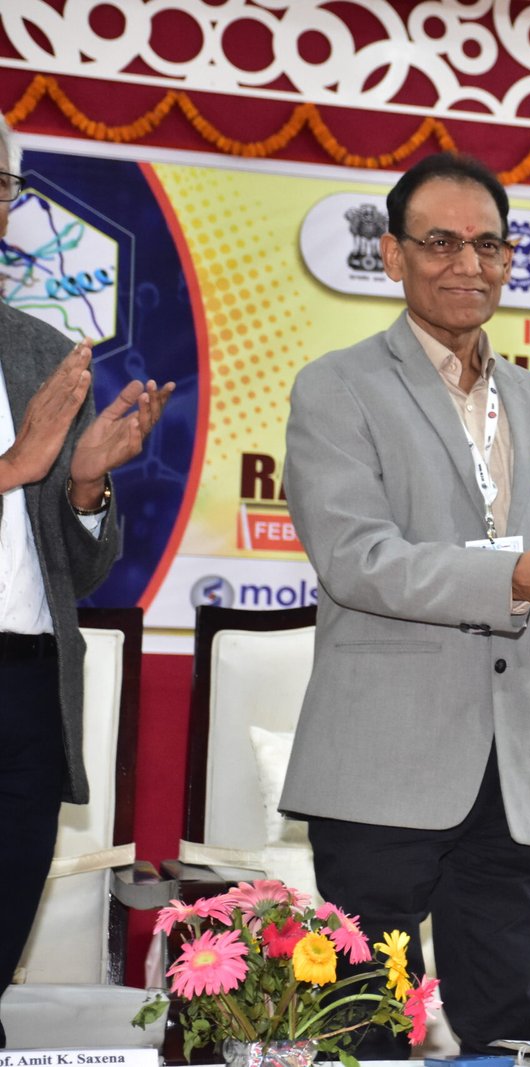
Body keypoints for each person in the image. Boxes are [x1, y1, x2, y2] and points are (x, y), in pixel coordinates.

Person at [280, 152, 530, 1054]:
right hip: (383, 764)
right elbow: (357, 560)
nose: (468, 263)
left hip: (519, 770)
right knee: (363, 1028)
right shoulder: (337, 387)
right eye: (440, 242)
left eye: (489, 244)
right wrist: (519, 579)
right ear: (393, 256)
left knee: (514, 1031)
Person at [0, 115, 174, 1047]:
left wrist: (83, 483)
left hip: (28, 688)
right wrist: (12, 467)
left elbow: (81, 569)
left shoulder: (38, 349)